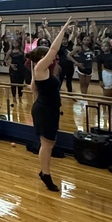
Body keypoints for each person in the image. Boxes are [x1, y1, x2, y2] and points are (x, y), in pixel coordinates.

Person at [30, 19, 74, 192]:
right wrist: (63, 29)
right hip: (45, 111)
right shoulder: (40, 67)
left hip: (46, 109)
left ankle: (45, 172)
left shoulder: (42, 71)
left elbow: (34, 89)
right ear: (43, 57)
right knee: (47, 144)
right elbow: (54, 49)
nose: (54, 56)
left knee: (49, 142)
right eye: (48, 55)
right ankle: (45, 175)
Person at [8, 36, 27, 102]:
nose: (15, 44)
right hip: (14, 69)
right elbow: (5, 59)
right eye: (14, 43)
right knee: (13, 83)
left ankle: (20, 97)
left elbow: (23, 43)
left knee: (20, 83)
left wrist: (24, 36)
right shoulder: (10, 51)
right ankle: (14, 97)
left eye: (16, 43)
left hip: (21, 68)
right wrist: (11, 64)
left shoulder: (21, 50)